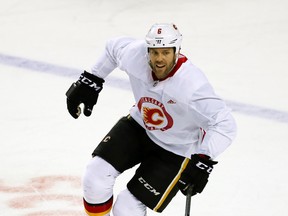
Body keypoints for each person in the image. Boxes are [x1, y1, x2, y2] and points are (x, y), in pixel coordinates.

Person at [65, 23, 237, 216]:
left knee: (126, 208)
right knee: (95, 176)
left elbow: (224, 124)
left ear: (176, 51)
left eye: (166, 52)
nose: (159, 59)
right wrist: (92, 79)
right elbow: (113, 48)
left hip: (177, 150)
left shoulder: (191, 85)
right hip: (140, 126)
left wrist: (204, 159)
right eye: (154, 52)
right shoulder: (136, 55)